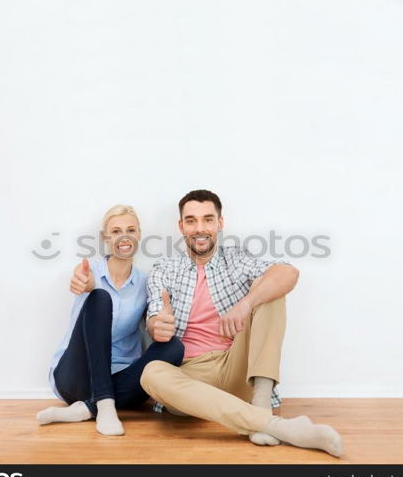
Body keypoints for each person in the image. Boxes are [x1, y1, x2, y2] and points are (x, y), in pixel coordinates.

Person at [140, 189, 344, 457]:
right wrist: (158, 325)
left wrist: (245, 303)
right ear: (181, 227)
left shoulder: (236, 258)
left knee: (270, 288)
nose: (199, 228)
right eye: (191, 221)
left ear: (220, 223)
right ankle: (276, 425)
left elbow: (288, 273)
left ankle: (261, 403)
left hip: (234, 366)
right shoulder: (163, 269)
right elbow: (155, 316)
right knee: (151, 373)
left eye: (208, 219)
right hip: (191, 377)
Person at [37, 205, 184, 435]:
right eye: (115, 231)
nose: (124, 236)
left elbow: (153, 324)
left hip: (121, 378)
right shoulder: (90, 271)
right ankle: (104, 405)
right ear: (105, 238)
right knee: (100, 297)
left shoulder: (146, 284)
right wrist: (84, 283)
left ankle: (86, 409)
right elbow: (83, 278)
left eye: (130, 230)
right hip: (75, 377)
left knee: (174, 347)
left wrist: (160, 324)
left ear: (138, 235)